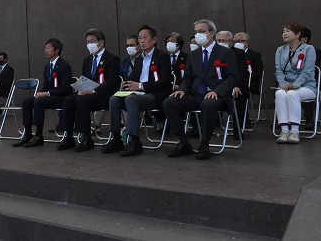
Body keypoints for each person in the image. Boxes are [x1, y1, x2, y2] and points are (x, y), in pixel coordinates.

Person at [162, 19, 238, 160]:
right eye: (196, 32)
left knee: (208, 104)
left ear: (212, 33)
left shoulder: (226, 53)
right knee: (169, 102)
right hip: (196, 94)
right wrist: (183, 89)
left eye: (201, 31)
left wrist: (217, 91)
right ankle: (183, 143)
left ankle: (204, 145)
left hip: (217, 96)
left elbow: (232, 78)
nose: (198, 35)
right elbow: (188, 78)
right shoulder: (193, 54)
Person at [103, 25, 172, 156]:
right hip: (137, 93)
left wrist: (140, 86)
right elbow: (134, 80)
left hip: (155, 94)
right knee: (114, 99)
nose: (142, 41)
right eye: (140, 38)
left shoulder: (162, 57)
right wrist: (128, 84)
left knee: (131, 99)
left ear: (154, 40)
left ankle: (134, 141)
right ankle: (116, 138)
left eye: (145, 37)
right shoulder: (139, 59)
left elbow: (165, 82)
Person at [59, 28, 120, 152]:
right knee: (69, 100)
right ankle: (69, 136)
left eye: (92, 41)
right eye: (87, 42)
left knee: (82, 101)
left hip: (104, 95)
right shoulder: (87, 60)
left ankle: (86, 138)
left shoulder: (112, 59)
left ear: (101, 43)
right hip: (89, 95)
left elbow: (112, 83)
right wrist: (80, 88)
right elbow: (85, 79)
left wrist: (93, 91)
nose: (89, 44)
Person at [12, 38, 73, 147]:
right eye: (45, 48)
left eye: (48, 48)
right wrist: (40, 93)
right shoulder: (47, 67)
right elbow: (46, 85)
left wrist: (47, 94)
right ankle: (27, 133)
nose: (45, 51)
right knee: (27, 102)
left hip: (61, 97)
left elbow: (65, 88)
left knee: (39, 102)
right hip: (50, 97)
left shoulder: (64, 65)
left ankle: (39, 135)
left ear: (57, 50)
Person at [274, 22, 317, 144]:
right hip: (286, 86)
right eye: (283, 32)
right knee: (279, 94)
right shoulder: (280, 50)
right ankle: (284, 131)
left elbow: (307, 71)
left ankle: (294, 131)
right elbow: (278, 70)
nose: (285, 34)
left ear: (298, 34)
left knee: (292, 94)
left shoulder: (309, 49)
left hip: (306, 86)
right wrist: (283, 84)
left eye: (288, 31)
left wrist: (296, 85)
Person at [216, 31, 250, 139]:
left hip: (236, 85)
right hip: (217, 86)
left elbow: (241, 73)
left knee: (239, 96)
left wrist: (233, 86)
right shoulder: (214, 53)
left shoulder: (239, 54)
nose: (221, 43)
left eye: (224, 41)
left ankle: (237, 129)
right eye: (219, 40)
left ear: (230, 42)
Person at [299, 27, 321, 131]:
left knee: (307, 89)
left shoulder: (315, 52)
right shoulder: (288, 51)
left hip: (311, 82)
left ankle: (309, 118)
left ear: (305, 39)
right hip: (293, 81)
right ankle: (283, 118)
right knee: (281, 90)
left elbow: (318, 68)